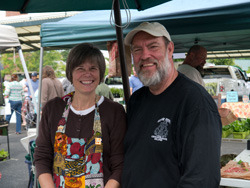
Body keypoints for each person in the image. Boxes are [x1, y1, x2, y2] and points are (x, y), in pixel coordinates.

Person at [121, 22, 222, 187]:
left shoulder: (196, 103)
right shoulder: (137, 100)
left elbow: (201, 179)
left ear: (170, 49)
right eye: (137, 49)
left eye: (153, 46)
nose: (145, 55)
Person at [34, 43, 126, 188]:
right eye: (80, 68)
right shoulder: (53, 109)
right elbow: (42, 157)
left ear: (101, 73)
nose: (87, 74)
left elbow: (119, 163)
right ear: (70, 73)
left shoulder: (114, 111)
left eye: (93, 68)